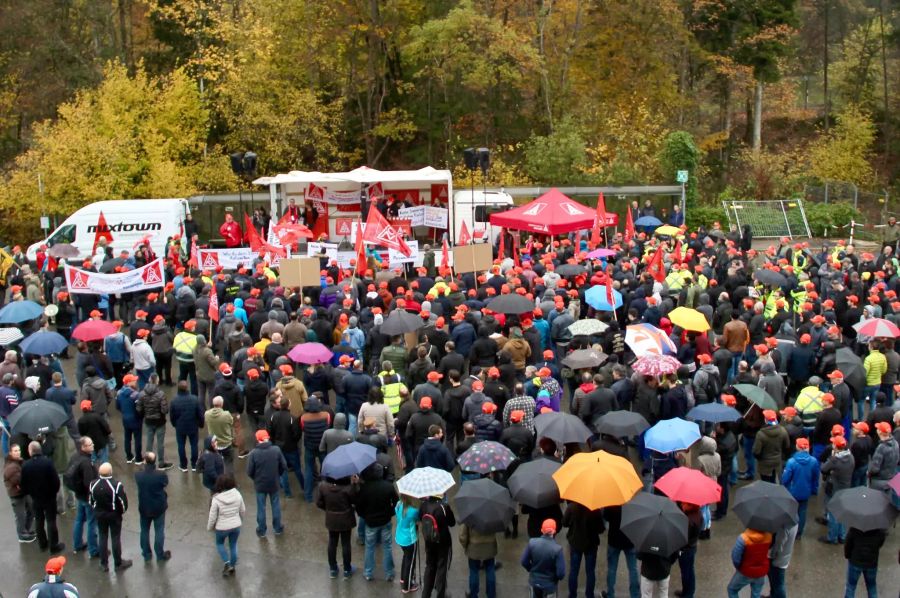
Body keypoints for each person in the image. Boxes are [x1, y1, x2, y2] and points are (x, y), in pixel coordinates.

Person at [356, 462, 398, 581]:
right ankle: (389, 573)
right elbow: (396, 503)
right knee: (387, 547)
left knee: (369, 547)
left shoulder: (365, 488)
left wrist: (365, 515)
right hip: (385, 521)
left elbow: (359, 506)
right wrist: (390, 513)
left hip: (370, 523)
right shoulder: (388, 487)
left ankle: (368, 572)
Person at [21, 441, 64, 553]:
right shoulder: (48, 463)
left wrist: (30, 493)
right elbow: (56, 481)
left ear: (30, 451)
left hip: (35, 498)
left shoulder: (26, 465)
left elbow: (23, 484)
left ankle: (42, 544)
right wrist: (53, 492)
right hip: (49, 497)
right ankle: (53, 545)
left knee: (39, 521)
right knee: (51, 520)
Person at [89, 461, 132, 572]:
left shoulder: (93, 484)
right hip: (114, 516)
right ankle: (118, 563)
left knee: (102, 537)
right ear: (111, 472)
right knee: (115, 538)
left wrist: (96, 509)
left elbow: (91, 500)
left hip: (100, 515)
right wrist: (120, 512)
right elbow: (123, 503)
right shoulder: (116, 485)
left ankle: (104, 563)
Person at [317, 473, 359, 579]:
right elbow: (355, 500)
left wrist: (328, 510)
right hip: (346, 519)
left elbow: (319, 503)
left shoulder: (323, 487)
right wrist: (355, 484)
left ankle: (333, 569)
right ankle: (347, 569)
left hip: (331, 520)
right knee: (346, 544)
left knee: (332, 542)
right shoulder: (348, 488)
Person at [247, 429, 287, 536]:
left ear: (258, 440)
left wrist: (256, 479)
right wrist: (277, 475)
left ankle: (261, 530)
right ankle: (278, 528)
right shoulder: (276, 450)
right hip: (274, 482)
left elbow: (249, 471)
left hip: (260, 484)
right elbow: (284, 466)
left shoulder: (254, 453)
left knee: (261, 507)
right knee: (275, 505)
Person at [134, 451, 171, 563]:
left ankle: (146, 553)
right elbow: (165, 483)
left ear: (145, 461)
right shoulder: (160, 475)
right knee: (159, 530)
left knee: (144, 530)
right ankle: (160, 554)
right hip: (158, 506)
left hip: (144, 506)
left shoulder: (138, 475)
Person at [563, 500, 604, 598]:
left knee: (574, 570)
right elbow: (601, 529)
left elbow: (564, 523)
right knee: (590, 572)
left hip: (575, 543)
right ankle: (589, 595)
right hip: (591, 544)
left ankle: (572, 595)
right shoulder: (595, 510)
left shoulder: (571, 507)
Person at [65, 437, 98, 558]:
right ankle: (94, 549)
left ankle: (77, 544)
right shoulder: (86, 463)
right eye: (90, 444)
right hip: (87, 497)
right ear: (84, 447)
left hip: (79, 495)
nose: (93, 445)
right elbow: (89, 483)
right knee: (91, 522)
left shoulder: (75, 457)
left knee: (79, 520)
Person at [207, 473, 245, 576]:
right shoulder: (238, 494)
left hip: (221, 528)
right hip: (235, 526)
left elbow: (212, 516)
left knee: (219, 544)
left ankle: (226, 562)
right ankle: (232, 566)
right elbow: (243, 510)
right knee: (233, 545)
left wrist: (210, 527)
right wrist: (240, 519)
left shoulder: (216, 499)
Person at [780, 438, 819, 537]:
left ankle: (790, 531)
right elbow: (815, 477)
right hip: (806, 491)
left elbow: (785, 479)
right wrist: (813, 489)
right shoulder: (813, 461)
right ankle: (799, 533)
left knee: (791, 511)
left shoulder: (791, 462)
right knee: (802, 512)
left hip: (792, 491)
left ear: (797, 447)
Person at [420, 493, 456, 598]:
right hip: (443, 542)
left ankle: (425, 594)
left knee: (430, 566)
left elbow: (420, 518)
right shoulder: (444, 507)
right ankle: (440, 594)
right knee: (441, 568)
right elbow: (452, 523)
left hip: (429, 541)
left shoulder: (423, 505)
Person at [820, 435, 854, 545]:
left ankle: (832, 537)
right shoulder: (850, 457)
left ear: (835, 446)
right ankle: (842, 535)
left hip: (834, 488)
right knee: (842, 512)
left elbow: (823, 468)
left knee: (833, 513)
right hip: (845, 487)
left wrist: (832, 458)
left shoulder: (835, 460)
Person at [521, 518, 566, 598]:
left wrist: (531, 569)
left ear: (542, 530)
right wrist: (554, 578)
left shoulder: (532, 543)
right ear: (554, 531)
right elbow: (561, 573)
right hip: (549, 585)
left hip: (534, 582)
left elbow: (524, 561)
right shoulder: (557, 549)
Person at [136, 374, 172, 470]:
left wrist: (145, 413)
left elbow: (138, 409)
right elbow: (165, 410)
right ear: (157, 381)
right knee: (160, 443)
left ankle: (148, 461)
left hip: (148, 420)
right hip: (160, 421)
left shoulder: (142, 393)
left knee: (149, 441)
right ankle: (161, 463)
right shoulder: (161, 394)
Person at [726, 527, 772, 598]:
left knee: (732, 589)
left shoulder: (743, 538)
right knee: (756, 593)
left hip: (746, 571)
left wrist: (739, 567)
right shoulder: (768, 536)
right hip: (761, 571)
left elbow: (735, 557)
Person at [842, 526, 887, 598]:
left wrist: (847, 555)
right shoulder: (879, 530)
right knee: (871, 587)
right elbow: (880, 542)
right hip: (871, 562)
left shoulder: (855, 528)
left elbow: (848, 543)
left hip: (855, 561)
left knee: (851, 587)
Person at [4, 442, 35, 542]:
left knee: (31, 510)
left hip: (23, 493)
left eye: (19, 450)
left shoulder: (19, 462)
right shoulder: (11, 467)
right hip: (17, 495)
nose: (18, 453)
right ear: (10, 453)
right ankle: (22, 535)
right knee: (20, 515)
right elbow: (19, 481)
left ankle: (26, 530)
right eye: (15, 451)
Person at [459, 520, 499, 598]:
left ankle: (473, 595)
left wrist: (466, 546)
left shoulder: (469, 514)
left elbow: (462, 536)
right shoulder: (493, 513)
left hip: (474, 548)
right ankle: (491, 595)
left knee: (473, 571)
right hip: (490, 547)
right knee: (490, 570)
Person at [115, 374, 143, 464]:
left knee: (127, 438)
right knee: (137, 439)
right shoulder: (136, 395)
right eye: (134, 380)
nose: (136, 382)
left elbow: (117, 406)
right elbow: (139, 409)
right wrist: (141, 417)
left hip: (125, 419)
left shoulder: (119, 393)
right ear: (129, 382)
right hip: (135, 419)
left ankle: (129, 457)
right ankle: (138, 458)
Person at [395, 495, 420, 593]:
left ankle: (403, 578)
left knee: (406, 558)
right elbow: (418, 520)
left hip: (400, 537)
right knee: (410, 563)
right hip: (410, 539)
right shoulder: (413, 511)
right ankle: (407, 586)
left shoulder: (398, 504)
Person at [766, 523, 797, 598]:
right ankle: (773, 595)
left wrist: (771, 555)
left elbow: (778, 546)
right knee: (775, 582)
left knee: (778, 584)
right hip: (785, 556)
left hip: (778, 560)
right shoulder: (794, 520)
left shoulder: (783, 526)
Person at [206, 396, 236, 472]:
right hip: (226, 443)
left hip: (214, 444)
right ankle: (229, 480)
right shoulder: (226, 414)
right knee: (229, 463)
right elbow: (231, 423)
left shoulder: (207, 414)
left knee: (215, 464)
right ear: (222, 404)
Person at [77, 400, 111, 465]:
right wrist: (108, 434)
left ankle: (94, 473)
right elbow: (106, 428)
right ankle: (104, 474)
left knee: (92, 462)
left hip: (90, 444)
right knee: (104, 462)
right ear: (90, 407)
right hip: (102, 442)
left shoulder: (81, 420)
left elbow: (81, 433)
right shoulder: (97, 416)